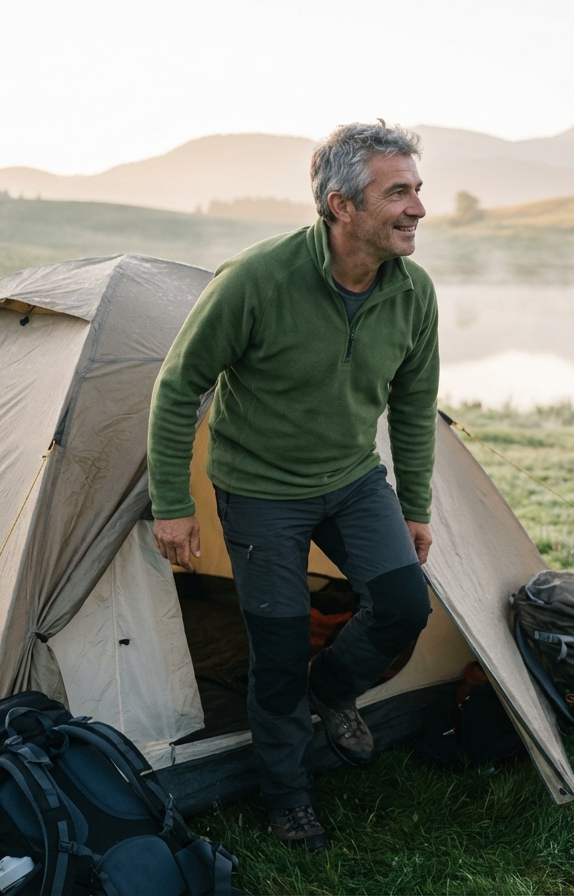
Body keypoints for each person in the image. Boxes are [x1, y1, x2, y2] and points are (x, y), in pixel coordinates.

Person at [146, 121, 438, 852]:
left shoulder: (413, 293)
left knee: (404, 604)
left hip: (351, 479)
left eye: (417, 189)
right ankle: (288, 795)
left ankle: (331, 690)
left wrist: (416, 508)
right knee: (274, 652)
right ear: (341, 205)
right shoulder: (255, 280)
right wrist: (173, 505)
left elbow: (411, 402)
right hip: (258, 493)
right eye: (397, 192)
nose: (417, 209)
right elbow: (179, 388)